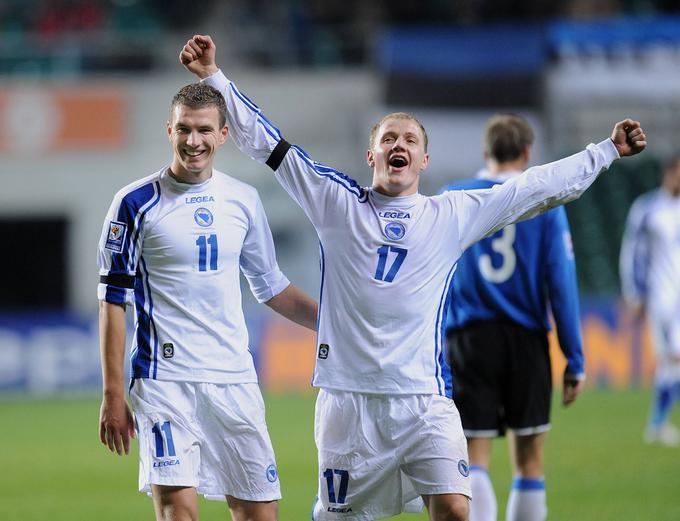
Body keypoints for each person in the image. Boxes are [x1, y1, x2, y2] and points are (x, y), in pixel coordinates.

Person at [180, 34, 646, 521]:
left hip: (424, 401)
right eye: (388, 139)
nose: (398, 146)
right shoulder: (335, 202)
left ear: (423, 160)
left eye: (409, 141)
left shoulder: (451, 214)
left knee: (453, 509)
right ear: (371, 157)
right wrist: (216, 79)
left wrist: (606, 150)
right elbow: (269, 144)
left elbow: (535, 189)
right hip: (348, 405)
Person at [97, 80, 318, 521]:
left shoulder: (244, 200)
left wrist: (335, 321)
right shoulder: (133, 204)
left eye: (203, 130)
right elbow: (112, 302)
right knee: (179, 513)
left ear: (223, 135)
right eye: (183, 129)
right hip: (165, 381)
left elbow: (271, 286)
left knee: (260, 514)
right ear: (169, 130)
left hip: (234, 379)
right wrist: (113, 394)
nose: (193, 141)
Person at [440, 114, 584, 521]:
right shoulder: (544, 203)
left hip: (468, 341)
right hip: (526, 340)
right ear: (526, 154)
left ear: (486, 153)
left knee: (474, 458)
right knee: (530, 459)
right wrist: (574, 358)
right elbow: (561, 282)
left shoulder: (453, 196)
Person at [620, 156, 680, 447]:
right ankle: (657, 423)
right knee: (669, 361)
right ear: (668, 172)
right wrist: (634, 292)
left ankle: (657, 423)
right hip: (660, 297)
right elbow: (632, 252)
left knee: (675, 359)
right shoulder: (647, 209)